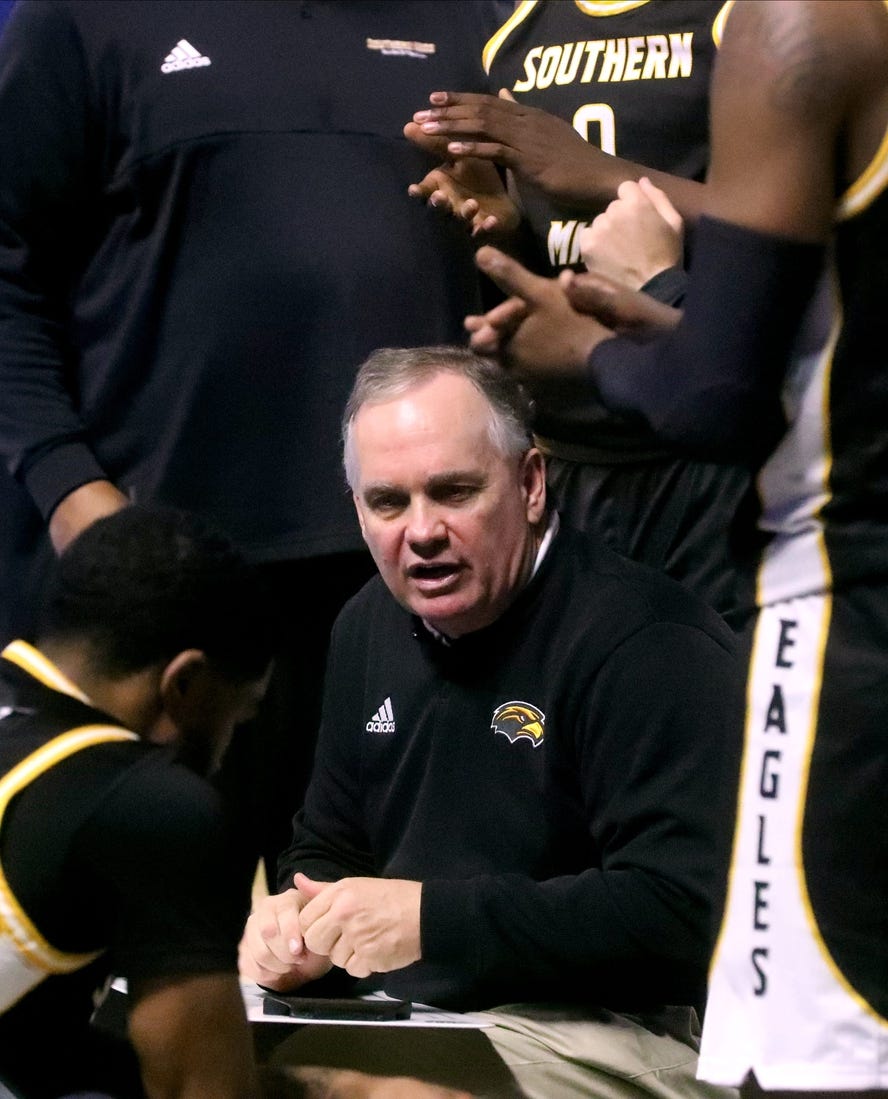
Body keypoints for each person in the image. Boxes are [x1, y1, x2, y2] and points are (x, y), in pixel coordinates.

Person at [462, 2, 888, 1094]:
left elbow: (717, 399)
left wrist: (598, 345)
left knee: (818, 1056)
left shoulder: (799, 24)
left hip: (846, 597)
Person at [0, 0, 509, 887]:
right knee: (139, 938)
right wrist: (69, 485)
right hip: (172, 580)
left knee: (384, 951)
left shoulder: (474, 16)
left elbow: (520, 246)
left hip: (410, 573)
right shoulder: (78, 17)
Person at [240, 345, 742, 1099]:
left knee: (354, 1094)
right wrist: (298, 923)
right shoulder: (364, 627)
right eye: (388, 502)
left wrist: (434, 920)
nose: (422, 531)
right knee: (196, 1059)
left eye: (453, 492)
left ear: (531, 483)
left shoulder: (645, 640)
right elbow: (329, 840)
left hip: (621, 1027)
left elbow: (679, 908)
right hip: (414, 1015)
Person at [403, 0, 754, 624]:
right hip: (564, 454)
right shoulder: (513, 30)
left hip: (701, 457)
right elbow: (538, 253)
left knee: (712, 697)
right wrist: (499, 225)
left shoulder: (738, 18)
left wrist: (601, 174)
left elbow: (794, 229)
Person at [0, 506, 279, 1098]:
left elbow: (34, 1051)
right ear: (184, 685)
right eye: (239, 715)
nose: (228, 752)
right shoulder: (149, 805)